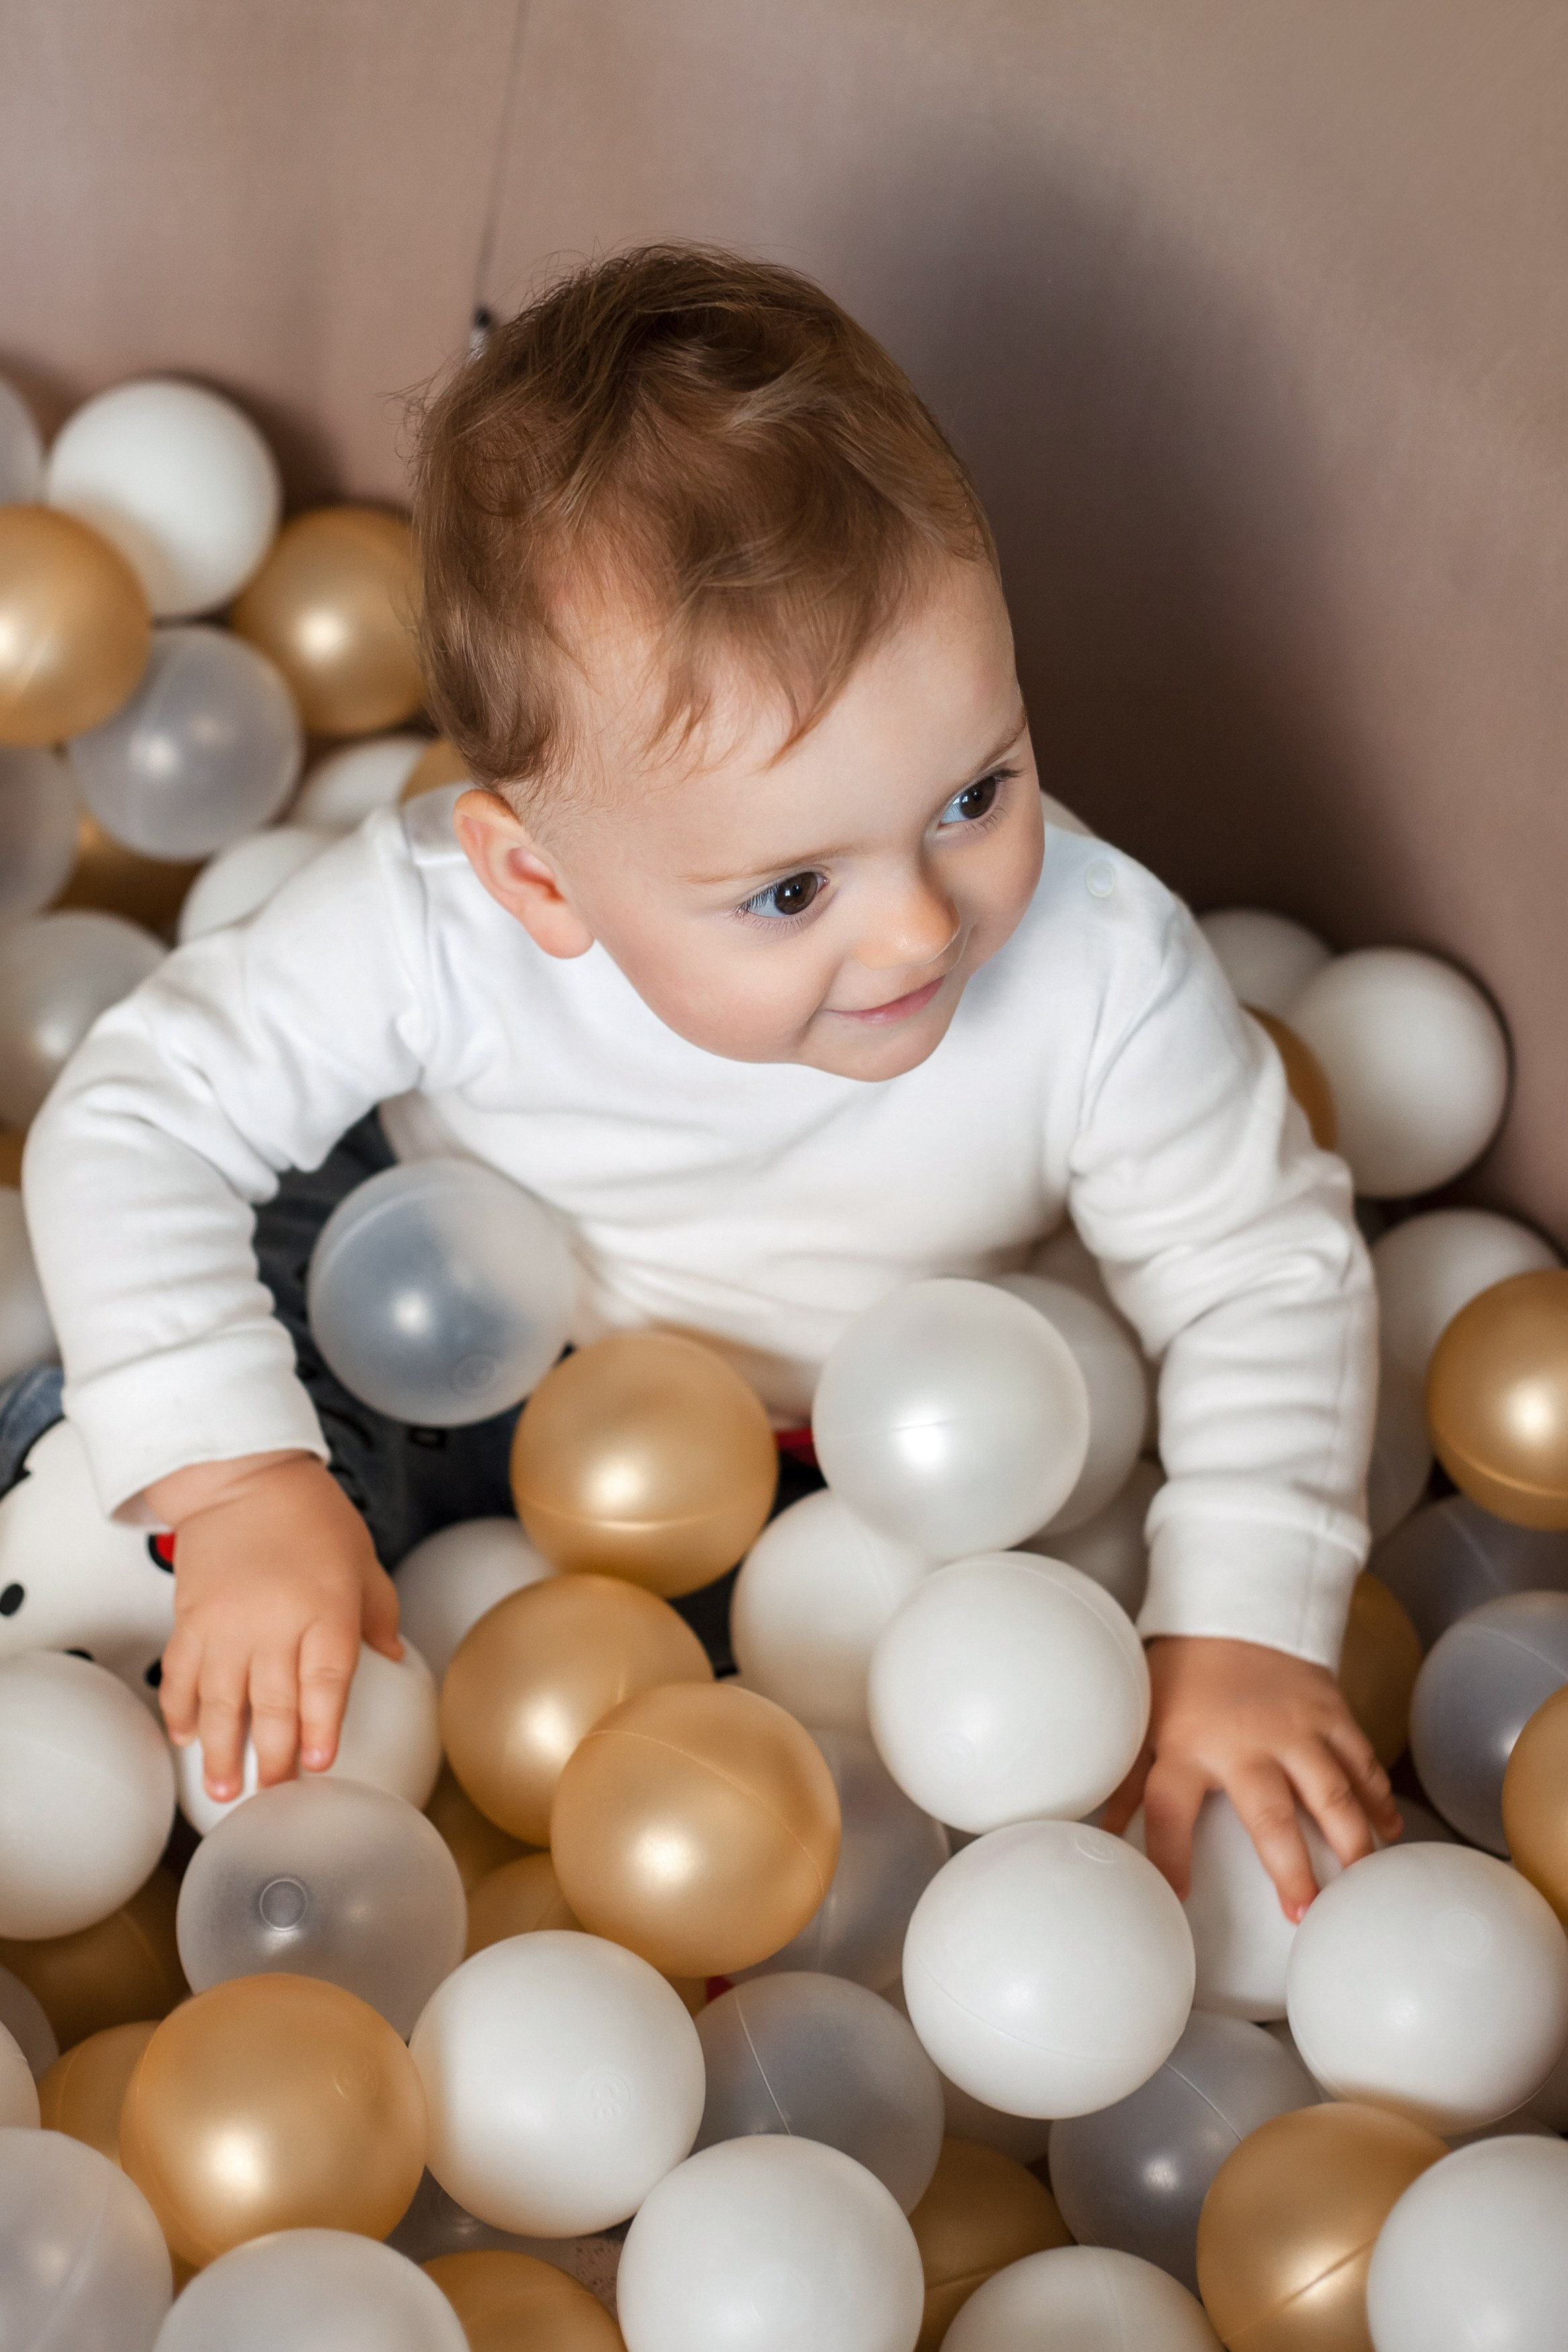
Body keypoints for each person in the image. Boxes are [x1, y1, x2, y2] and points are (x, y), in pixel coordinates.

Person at [24, 245, 1397, 1918]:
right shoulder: (439, 926)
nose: (920, 926)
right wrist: (239, 1478)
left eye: (975, 794)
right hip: (404, 1295)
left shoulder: (1106, 968)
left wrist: (1242, 1626)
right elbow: (139, 1119)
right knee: (117, 1538)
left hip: (795, 1466)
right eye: (792, 889)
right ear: (542, 881)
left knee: (777, 1794)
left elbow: (1261, 1269)